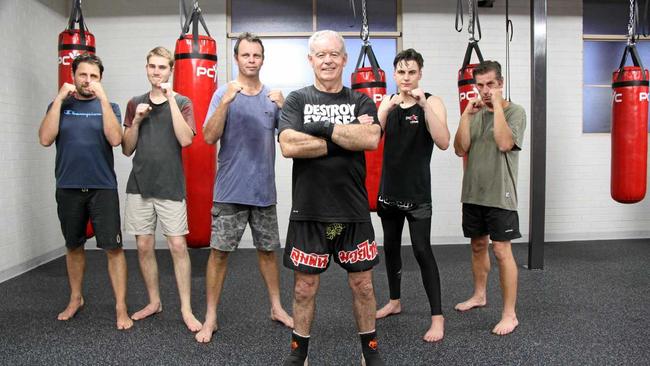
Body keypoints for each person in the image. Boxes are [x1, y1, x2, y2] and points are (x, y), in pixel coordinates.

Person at [278, 30, 384, 366]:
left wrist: (319, 128)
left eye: (334, 54)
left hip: (351, 212)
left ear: (344, 59)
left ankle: (370, 352)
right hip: (309, 211)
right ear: (310, 59)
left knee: (363, 286)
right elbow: (289, 145)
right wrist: (343, 134)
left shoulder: (361, 101)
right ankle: (300, 354)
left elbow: (370, 138)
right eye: (320, 54)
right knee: (304, 288)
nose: (327, 60)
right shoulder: (297, 100)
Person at [195, 32, 293, 343]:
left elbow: (291, 140)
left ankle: (277, 308)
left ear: (262, 59)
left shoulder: (273, 98)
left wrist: (286, 107)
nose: (251, 60)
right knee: (219, 254)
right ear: (236, 58)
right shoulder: (223, 93)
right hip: (229, 191)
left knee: (268, 253)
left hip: (263, 192)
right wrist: (224, 103)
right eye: (246, 55)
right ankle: (210, 316)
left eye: (256, 55)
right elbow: (209, 137)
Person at [38, 53, 132, 330]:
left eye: (94, 76)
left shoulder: (110, 106)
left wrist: (102, 99)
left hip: (102, 187)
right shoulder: (60, 105)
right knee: (73, 245)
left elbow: (116, 139)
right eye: (83, 75)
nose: (88, 81)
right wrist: (58, 100)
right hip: (68, 186)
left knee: (113, 248)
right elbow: (45, 139)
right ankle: (75, 298)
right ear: (73, 76)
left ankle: (120, 307)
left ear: (100, 79)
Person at [121, 46, 201, 332]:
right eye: (152, 67)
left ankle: (186, 309)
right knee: (143, 245)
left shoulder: (183, 102)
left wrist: (169, 99)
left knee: (178, 246)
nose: (157, 72)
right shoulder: (134, 103)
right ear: (147, 68)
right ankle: (154, 301)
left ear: (171, 71)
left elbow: (185, 141)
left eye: (162, 67)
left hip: (170, 185)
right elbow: (127, 148)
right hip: (140, 185)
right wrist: (138, 120)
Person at [374, 48, 450, 342]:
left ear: (420, 74)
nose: (406, 78)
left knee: (421, 250)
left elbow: (443, 142)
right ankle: (394, 301)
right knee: (391, 248)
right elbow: (371, 140)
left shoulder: (432, 102)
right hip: (389, 191)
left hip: (417, 194)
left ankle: (437, 317)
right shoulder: (387, 103)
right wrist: (384, 109)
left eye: (412, 72)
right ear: (394, 75)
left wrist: (424, 105)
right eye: (401, 72)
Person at [453, 60, 526, 336]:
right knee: (477, 246)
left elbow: (505, 143)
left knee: (501, 250)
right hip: (473, 192)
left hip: (500, 194)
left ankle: (510, 314)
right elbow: (460, 149)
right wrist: (465, 117)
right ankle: (479, 295)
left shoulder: (516, 112)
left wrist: (496, 107)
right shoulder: (474, 113)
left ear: (501, 83)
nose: (484, 90)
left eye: (490, 85)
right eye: (480, 85)